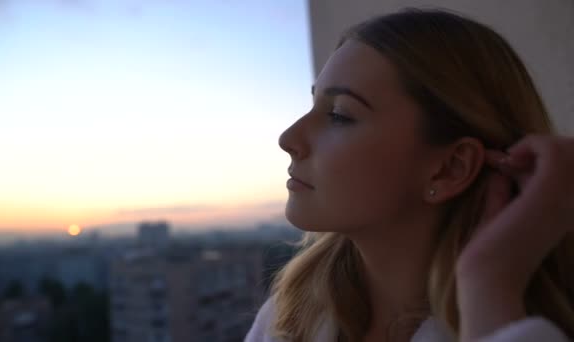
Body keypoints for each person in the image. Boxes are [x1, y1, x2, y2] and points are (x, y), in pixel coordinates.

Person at [244, 8, 574, 342]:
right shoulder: (288, 318)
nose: (288, 139)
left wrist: (488, 283)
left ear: (449, 168)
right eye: (313, 104)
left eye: (340, 115)